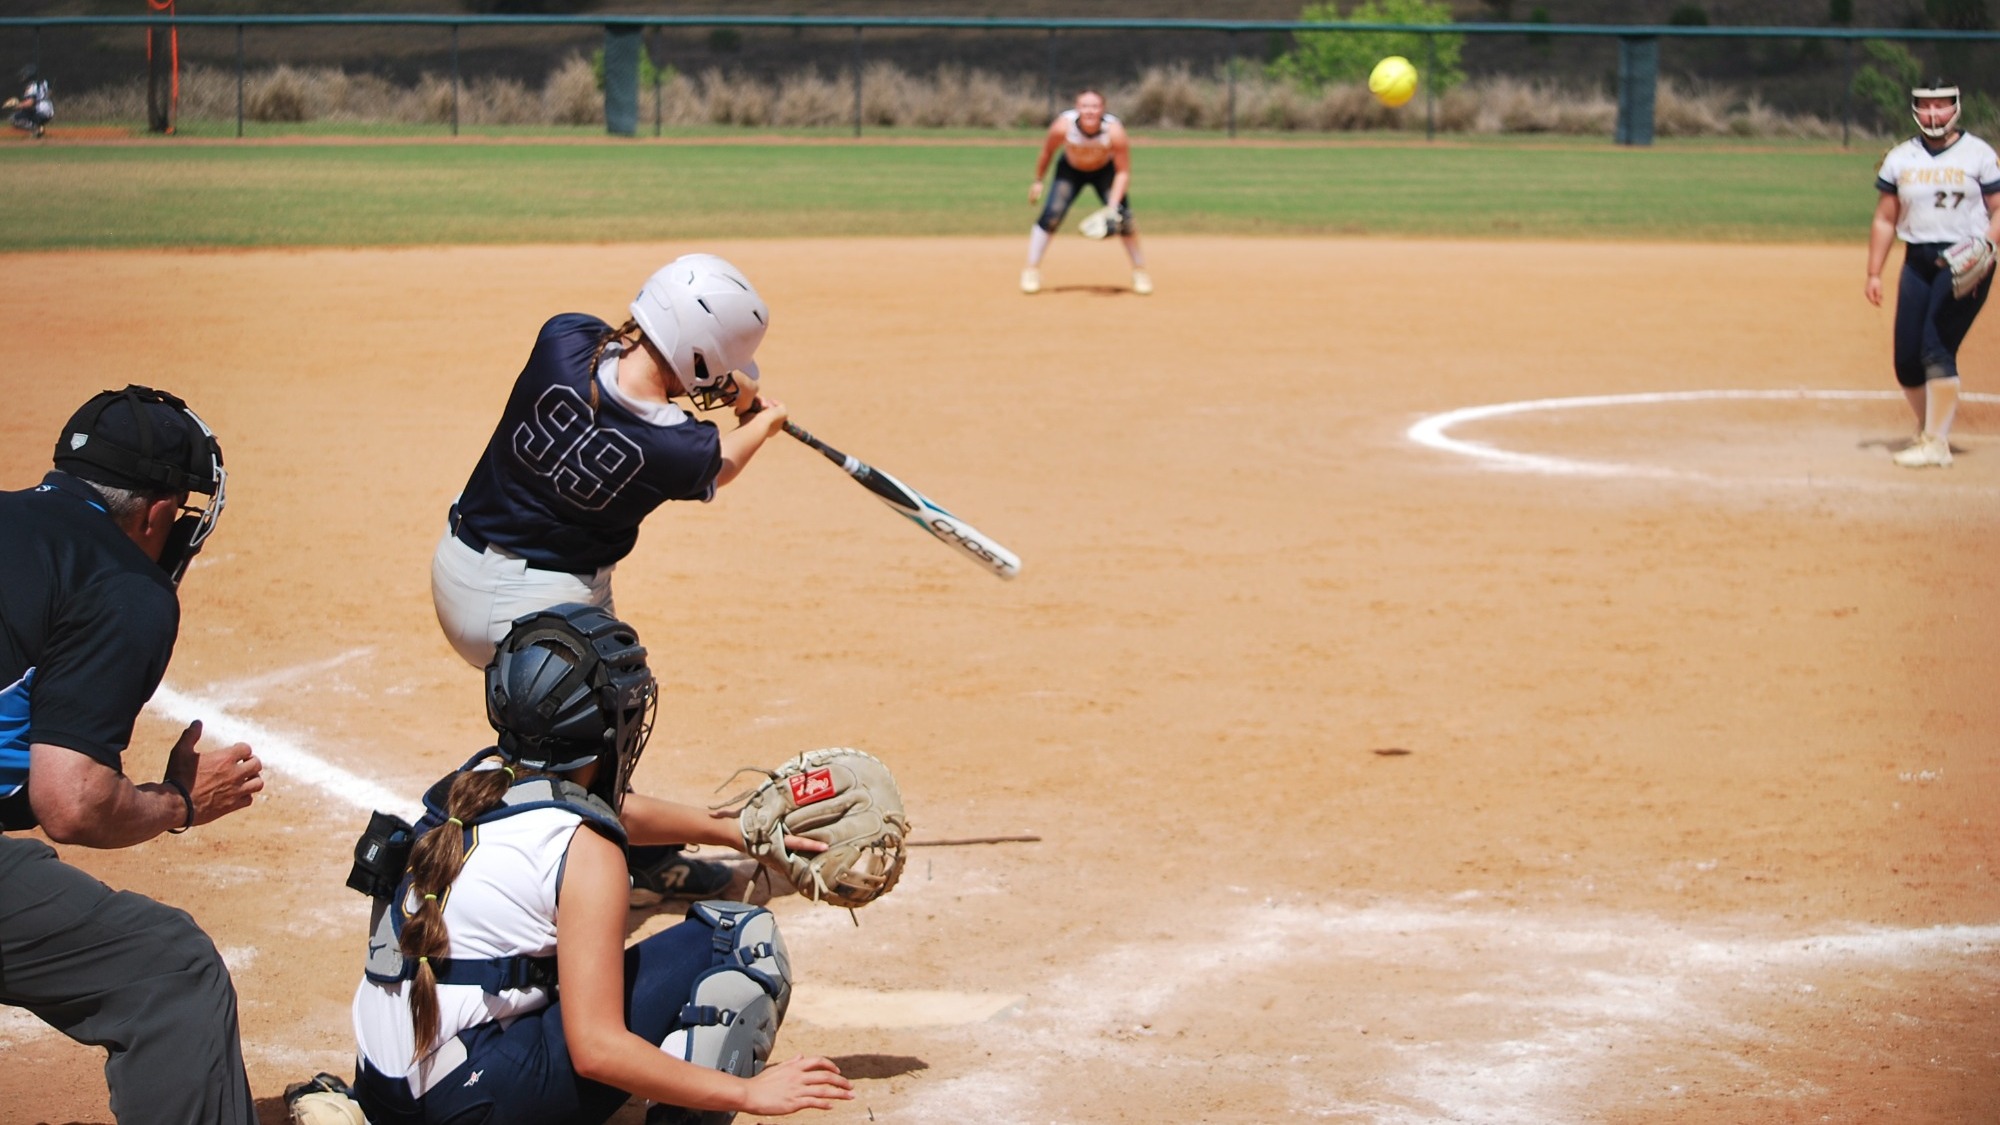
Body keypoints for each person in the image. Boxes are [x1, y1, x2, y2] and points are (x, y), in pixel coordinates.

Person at [343, 604, 853, 1125]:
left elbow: (608, 809)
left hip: (386, 1092)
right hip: (466, 1104)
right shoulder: (588, 851)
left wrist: (738, 831)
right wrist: (746, 1094)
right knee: (739, 941)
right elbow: (596, 1050)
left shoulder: (473, 784)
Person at [431, 252, 789, 902]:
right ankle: (654, 843)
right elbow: (723, 461)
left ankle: (619, 829)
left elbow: (630, 358)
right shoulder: (676, 448)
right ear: (702, 358)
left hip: (457, 570)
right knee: (591, 763)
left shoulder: (560, 341)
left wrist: (727, 385)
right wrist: (765, 418)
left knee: (590, 735)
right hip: (545, 616)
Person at [0, 385, 264, 1124]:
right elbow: (71, 800)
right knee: (171, 970)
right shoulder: (125, 582)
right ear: (155, 513)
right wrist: (180, 801)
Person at [1866, 77, 2000, 469]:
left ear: (1956, 107)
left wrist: (1988, 245)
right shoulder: (1901, 157)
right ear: (1915, 109)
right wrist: (1874, 272)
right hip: (1918, 261)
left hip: (1965, 259)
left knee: (1935, 346)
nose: (1933, 113)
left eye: (1942, 105)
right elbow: (1885, 218)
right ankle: (1929, 430)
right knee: (1907, 359)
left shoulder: (1978, 154)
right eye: (1926, 105)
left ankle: (1936, 443)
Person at [1021, 89, 1151, 297]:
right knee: (1052, 214)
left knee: (1124, 219)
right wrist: (1038, 181)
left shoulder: (1114, 130)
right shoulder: (1063, 126)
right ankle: (1031, 270)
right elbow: (1047, 152)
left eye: (1095, 106)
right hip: (1071, 170)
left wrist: (1112, 207)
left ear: (1103, 109)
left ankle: (1140, 271)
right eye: (1085, 106)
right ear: (1077, 108)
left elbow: (1123, 172)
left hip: (1104, 171)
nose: (1090, 111)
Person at [6, 64, 53, 138]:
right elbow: (50, 92)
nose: (23, 77)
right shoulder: (44, 82)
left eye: (24, 75)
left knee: (14, 118)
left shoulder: (32, 86)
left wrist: (16, 105)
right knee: (24, 111)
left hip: (41, 112)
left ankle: (37, 129)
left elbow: (30, 103)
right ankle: (39, 128)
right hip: (49, 111)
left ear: (29, 75)